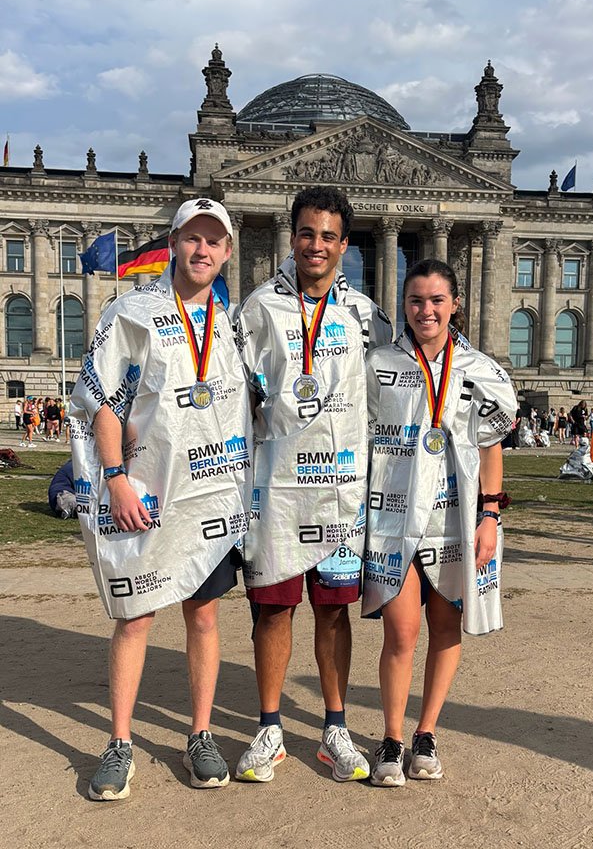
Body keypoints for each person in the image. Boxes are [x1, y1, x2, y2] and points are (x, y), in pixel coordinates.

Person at [70, 198, 253, 801]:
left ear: (227, 251)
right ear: (174, 243)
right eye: (192, 239)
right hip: (144, 493)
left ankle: (199, 734)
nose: (203, 251)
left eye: (214, 242)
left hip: (208, 496)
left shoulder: (232, 323)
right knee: (135, 618)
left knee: (203, 616)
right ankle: (119, 742)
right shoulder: (136, 311)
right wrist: (116, 479)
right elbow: (102, 401)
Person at [234, 186, 392, 783]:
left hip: (342, 492)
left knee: (333, 615)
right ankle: (270, 728)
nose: (316, 245)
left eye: (328, 235)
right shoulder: (259, 308)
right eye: (307, 233)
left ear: (345, 245)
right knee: (272, 614)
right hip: (275, 492)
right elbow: (231, 393)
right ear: (291, 236)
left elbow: (390, 395)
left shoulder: (364, 314)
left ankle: (335, 729)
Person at [363, 259, 516, 787]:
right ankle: (391, 737)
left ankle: (426, 732)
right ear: (403, 305)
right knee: (401, 632)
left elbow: (491, 448)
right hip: (393, 518)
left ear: (455, 305)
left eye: (435, 301)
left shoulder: (480, 370)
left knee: (446, 628)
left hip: (457, 520)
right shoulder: (378, 363)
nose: (425, 310)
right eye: (415, 301)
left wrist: (490, 517)